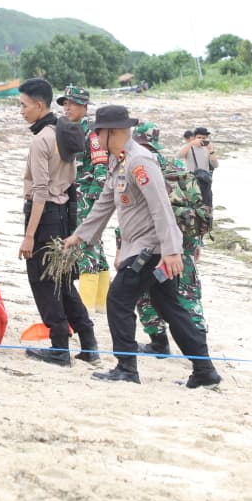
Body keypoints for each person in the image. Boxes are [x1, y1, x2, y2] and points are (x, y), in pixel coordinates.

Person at [66, 106, 222, 388]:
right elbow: (104, 204)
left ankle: (126, 367)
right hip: (144, 248)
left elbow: (161, 206)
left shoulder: (140, 161)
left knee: (118, 300)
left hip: (149, 249)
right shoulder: (120, 162)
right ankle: (205, 371)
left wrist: (172, 251)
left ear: (110, 132)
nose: (95, 137)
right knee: (172, 308)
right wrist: (79, 237)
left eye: (98, 132)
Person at [17, 78, 98, 366]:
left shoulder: (42, 139)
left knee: (42, 280)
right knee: (62, 280)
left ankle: (60, 347)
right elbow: (71, 181)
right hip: (65, 214)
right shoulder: (62, 133)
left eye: (24, 105)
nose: (21, 111)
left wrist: (29, 236)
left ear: (40, 105)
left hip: (46, 216)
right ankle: (88, 343)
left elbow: (40, 191)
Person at [130, 123, 211, 358]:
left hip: (149, 244)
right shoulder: (177, 167)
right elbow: (198, 206)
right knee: (188, 295)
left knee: (143, 293)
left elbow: (133, 212)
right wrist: (195, 244)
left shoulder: (139, 166)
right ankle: (199, 351)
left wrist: (121, 248)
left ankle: (158, 342)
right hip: (183, 244)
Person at [57, 85, 110, 310]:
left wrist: (94, 200)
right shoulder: (70, 128)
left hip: (87, 197)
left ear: (84, 107)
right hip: (74, 196)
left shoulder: (92, 133)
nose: (67, 107)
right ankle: (101, 302)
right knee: (96, 248)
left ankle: (87, 306)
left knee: (86, 247)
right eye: (65, 103)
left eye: (72, 103)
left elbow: (101, 166)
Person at [177, 126, 218, 209]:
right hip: (191, 183)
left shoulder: (207, 149)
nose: (201, 139)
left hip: (205, 183)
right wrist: (191, 143)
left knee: (207, 208)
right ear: (194, 137)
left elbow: (215, 165)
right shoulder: (189, 148)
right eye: (199, 137)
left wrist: (211, 151)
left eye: (204, 138)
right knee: (192, 208)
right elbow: (179, 156)